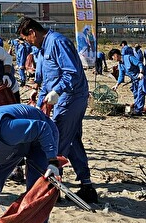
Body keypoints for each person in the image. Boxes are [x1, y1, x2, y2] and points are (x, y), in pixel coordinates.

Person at [18, 17, 100, 205]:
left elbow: (71, 72)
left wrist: (57, 91)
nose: (28, 43)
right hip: (61, 97)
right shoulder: (43, 48)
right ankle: (86, 185)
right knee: (72, 141)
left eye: (27, 39)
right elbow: (48, 79)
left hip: (71, 96)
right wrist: (39, 103)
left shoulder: (57, 42)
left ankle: (53, 189)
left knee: (57, 139)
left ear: (33, 32)